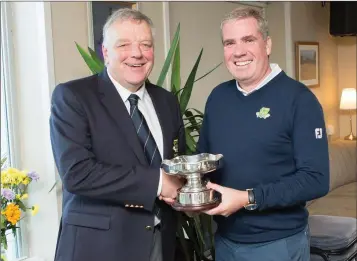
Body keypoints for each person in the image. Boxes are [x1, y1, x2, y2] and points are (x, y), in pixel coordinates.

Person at [50, 8, 185, 261]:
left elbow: (178, 163)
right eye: (124, 44)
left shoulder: (167, 102)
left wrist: (191, 193)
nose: (137, 53)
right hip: (99, 248)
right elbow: (77, 174)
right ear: (105, 52)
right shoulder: (73, 97)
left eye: (146, 44)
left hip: (160, 242)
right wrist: (157, 182)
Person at [198, 7, 330, 261]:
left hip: (278, 244)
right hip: (225, 241)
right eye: (230, 43)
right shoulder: (218, 97)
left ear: (267, 44)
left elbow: (316, 179)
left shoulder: (300, 100)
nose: (238, 51)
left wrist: (248, 198)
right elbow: (205, 161)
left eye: (249, 40)